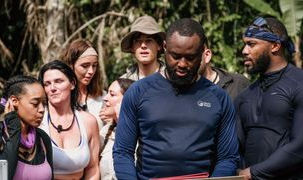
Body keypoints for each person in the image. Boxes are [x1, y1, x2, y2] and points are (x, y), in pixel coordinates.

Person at [113, 18, 239, 180]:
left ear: (202, 53)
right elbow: (122, 152)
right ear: (165, 48)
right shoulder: (138, 92)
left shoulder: (219, 98)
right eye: (175, 56)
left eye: (190, 57)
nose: (182, 64)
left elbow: (228, 158)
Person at [236, 16, 303, 180]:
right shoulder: (245, 95)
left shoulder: (299, 83)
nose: (244, 51)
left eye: (251, 44)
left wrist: (254, 172)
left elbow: (300, 146)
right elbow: (235, 148)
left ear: (275, 46)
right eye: (245, 44)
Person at [38, 60, 100, 180]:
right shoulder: (37, 121)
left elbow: (93, 168)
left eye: (58, 81)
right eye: (47, 84)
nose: (52, 88)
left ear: (72, 84)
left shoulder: (88, 121)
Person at [0, 75, 53, 180]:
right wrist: (14, 128)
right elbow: (1, 177)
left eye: (44, 103)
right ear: (14, 101)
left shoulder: (43, 138)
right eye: (35, 103)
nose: (42, 109)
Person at [61, 39, 106, 129]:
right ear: (70, 65)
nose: (91, 71)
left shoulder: (104, 97)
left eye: (94, 65)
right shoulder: (60, 97)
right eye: (85, 66)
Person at [99, 78, 135, 180]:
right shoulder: (105, 131)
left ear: (127, 99)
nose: (105, 98)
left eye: (112, 94)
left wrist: (122, 120)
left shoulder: (142, 134)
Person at [120, 15, 166, 81]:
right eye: (138, 41)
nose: (143, 45)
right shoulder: (123, 83)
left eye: (149, 40)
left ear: (159, 46)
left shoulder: (171, 79)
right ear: (132, 47)